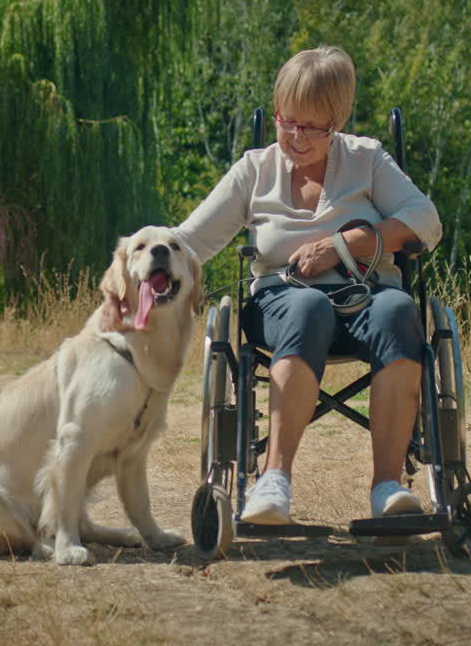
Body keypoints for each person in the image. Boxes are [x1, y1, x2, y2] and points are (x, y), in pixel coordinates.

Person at [102, 45, 441, 526]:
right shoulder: (255, 169)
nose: (296, 137)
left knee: (399, 312)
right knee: (309, 310)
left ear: (337, 122)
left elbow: (425, 220)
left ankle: (387, 486)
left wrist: (346, 244)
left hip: (367, 297)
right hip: (284, 305)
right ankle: (273, 481)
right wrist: (134, 266)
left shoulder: (367, 160)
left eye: (312, 127)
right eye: (287, 122)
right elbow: (190, 240)